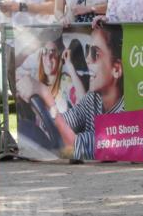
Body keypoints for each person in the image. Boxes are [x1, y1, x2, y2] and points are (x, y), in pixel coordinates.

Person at [29, 25, 124, 160]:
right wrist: (48, 121)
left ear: (116, 69)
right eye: (87, 51)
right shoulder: (93, 98)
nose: (87, 59)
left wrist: (44, 96)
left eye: (95, 54)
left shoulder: (127, 109)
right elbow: (67, 120)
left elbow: (79, 145)